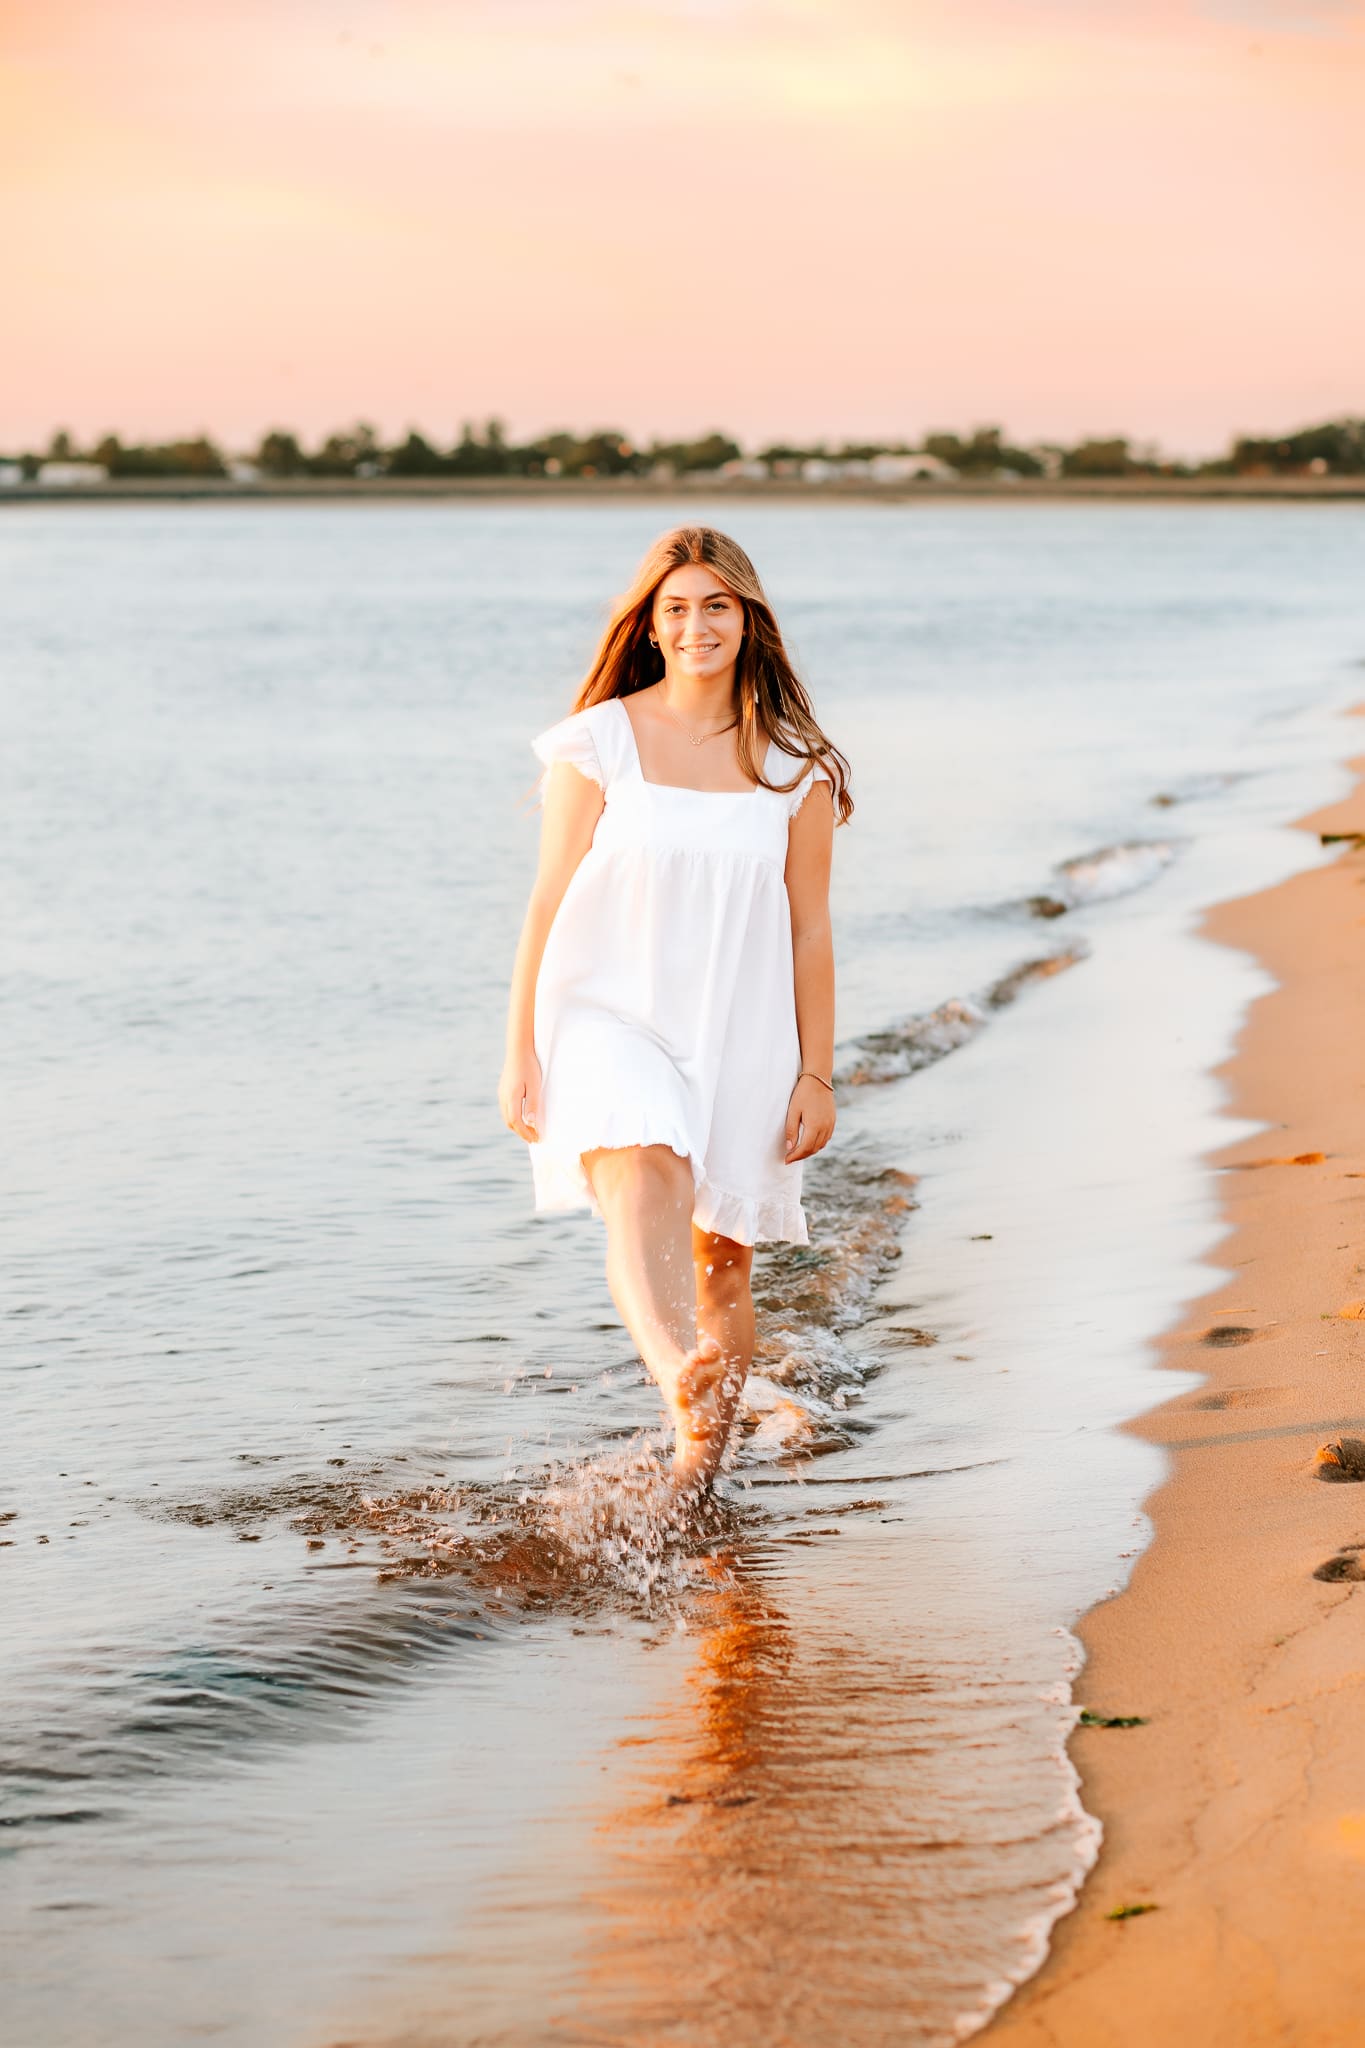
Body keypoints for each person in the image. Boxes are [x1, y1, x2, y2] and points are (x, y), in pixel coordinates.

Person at [499, 526, 852, 1490]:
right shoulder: (600, 741)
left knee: (723, 1262)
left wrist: (815, 1073)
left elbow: (808, 930)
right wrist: (519, 1050)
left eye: (716, 606)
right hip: (608, 1009)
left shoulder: (794, 767)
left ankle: (696, 1480)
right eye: (676, 609)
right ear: (649, 626)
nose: (696, 626)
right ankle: (669, 1364)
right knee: (643, 1168)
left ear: (748, 618)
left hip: (739, 1026)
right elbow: (544, 898)